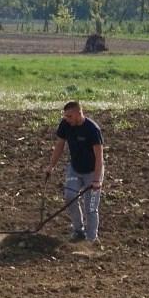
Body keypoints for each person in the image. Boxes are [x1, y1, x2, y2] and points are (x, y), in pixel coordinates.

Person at [44, 101, 105, 243]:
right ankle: (78, 230)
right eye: (65, 116)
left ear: (79, 113)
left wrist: (97, 180)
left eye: (69, 116)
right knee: (70, 196)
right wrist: (51, 166)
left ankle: (91, 239)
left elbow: (99, 157)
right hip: (75, 169)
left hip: (92, 171)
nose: (66, 119)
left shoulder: (92, 130)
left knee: (90, 207)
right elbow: (59, 145)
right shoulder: (65, 125)